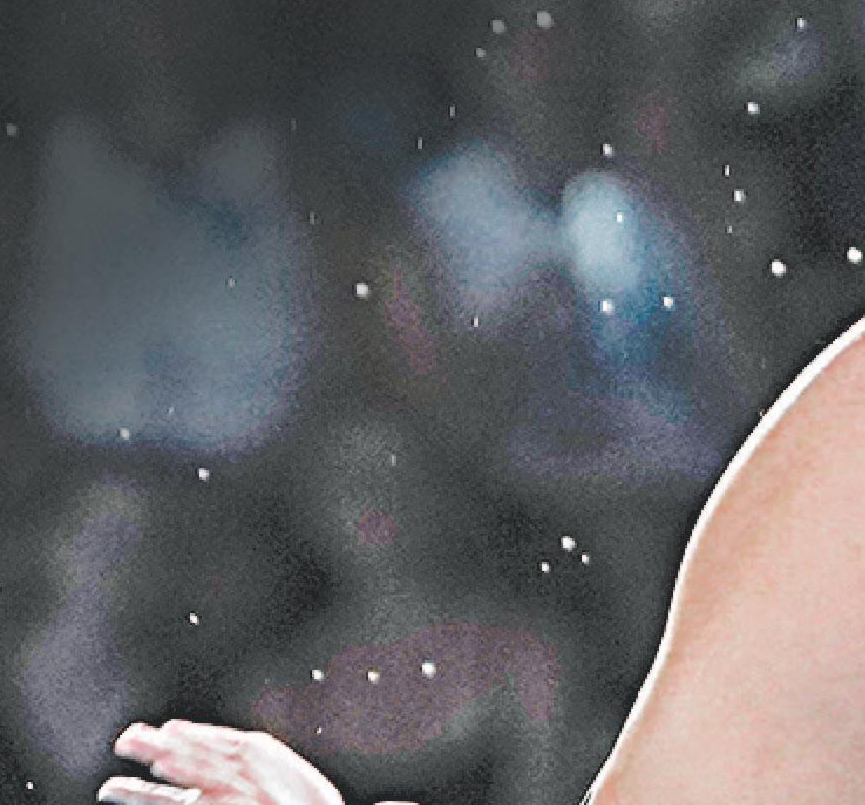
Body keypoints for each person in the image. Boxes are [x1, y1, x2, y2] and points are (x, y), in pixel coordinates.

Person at [96, 316, 865, 805]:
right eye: (352, 481)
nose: (377, 505)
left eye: (394, 475)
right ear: (311, 507)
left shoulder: (525, 657)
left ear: (439, 488)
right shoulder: (279, 688)